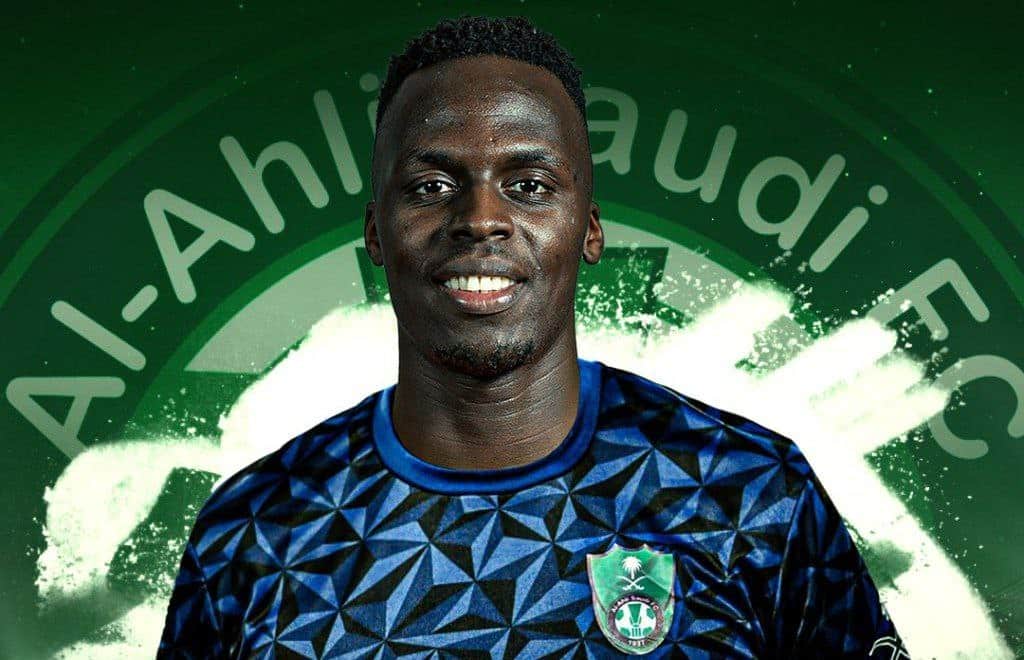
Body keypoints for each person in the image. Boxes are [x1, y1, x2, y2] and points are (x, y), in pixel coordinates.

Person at [159, 14, 909, 659]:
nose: (481, 219)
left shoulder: (751, 494)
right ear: (375, 232)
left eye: (529, 186)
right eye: (431, 187)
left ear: (588, 229)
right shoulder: (252, 535)